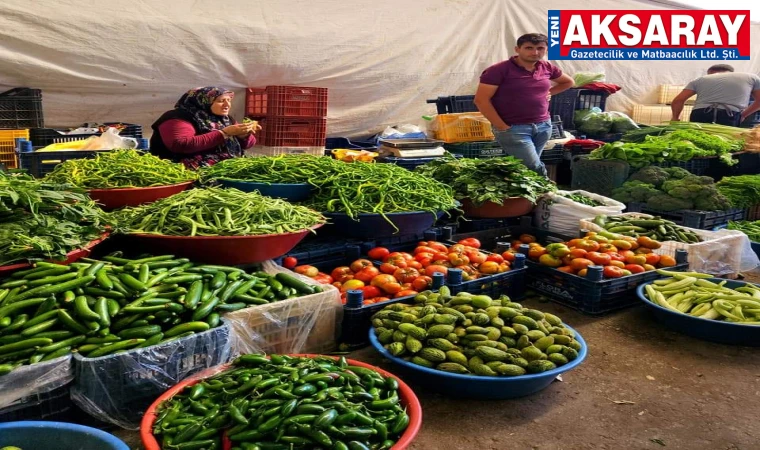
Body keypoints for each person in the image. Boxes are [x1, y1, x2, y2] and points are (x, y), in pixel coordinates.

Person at [474, 33, 575, 177]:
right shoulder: (499, 70)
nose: (535, 52)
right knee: (533, 167)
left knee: (526, 169)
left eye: (540, 48)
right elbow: (481, 100)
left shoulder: (546, 67)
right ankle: (548, 192)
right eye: (529, 48)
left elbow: (568, 82)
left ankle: (526, 197)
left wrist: (549, 92)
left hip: (543, 126)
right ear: (517, 49)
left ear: (546, 50)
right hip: (514, 128)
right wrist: (502, 126)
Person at [150, 86, 259, 169]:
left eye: (229, 100)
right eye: (221, 101)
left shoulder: (225, 119)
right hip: (187, 170)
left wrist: (243, 135)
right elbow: (181, 144)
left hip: (225, 168)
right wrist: (224, 133)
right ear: (203, 101)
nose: (227, 105)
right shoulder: (179, 117)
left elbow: (248, 144)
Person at [671, 64, 760, 127]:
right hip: (729, 114)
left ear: (711, 72)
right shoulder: (751, 77)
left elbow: (678, 100)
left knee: (698, 140)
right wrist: (743, 115)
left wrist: (675, 118)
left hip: (700, 113)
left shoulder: (700, 79)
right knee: (726, 143)